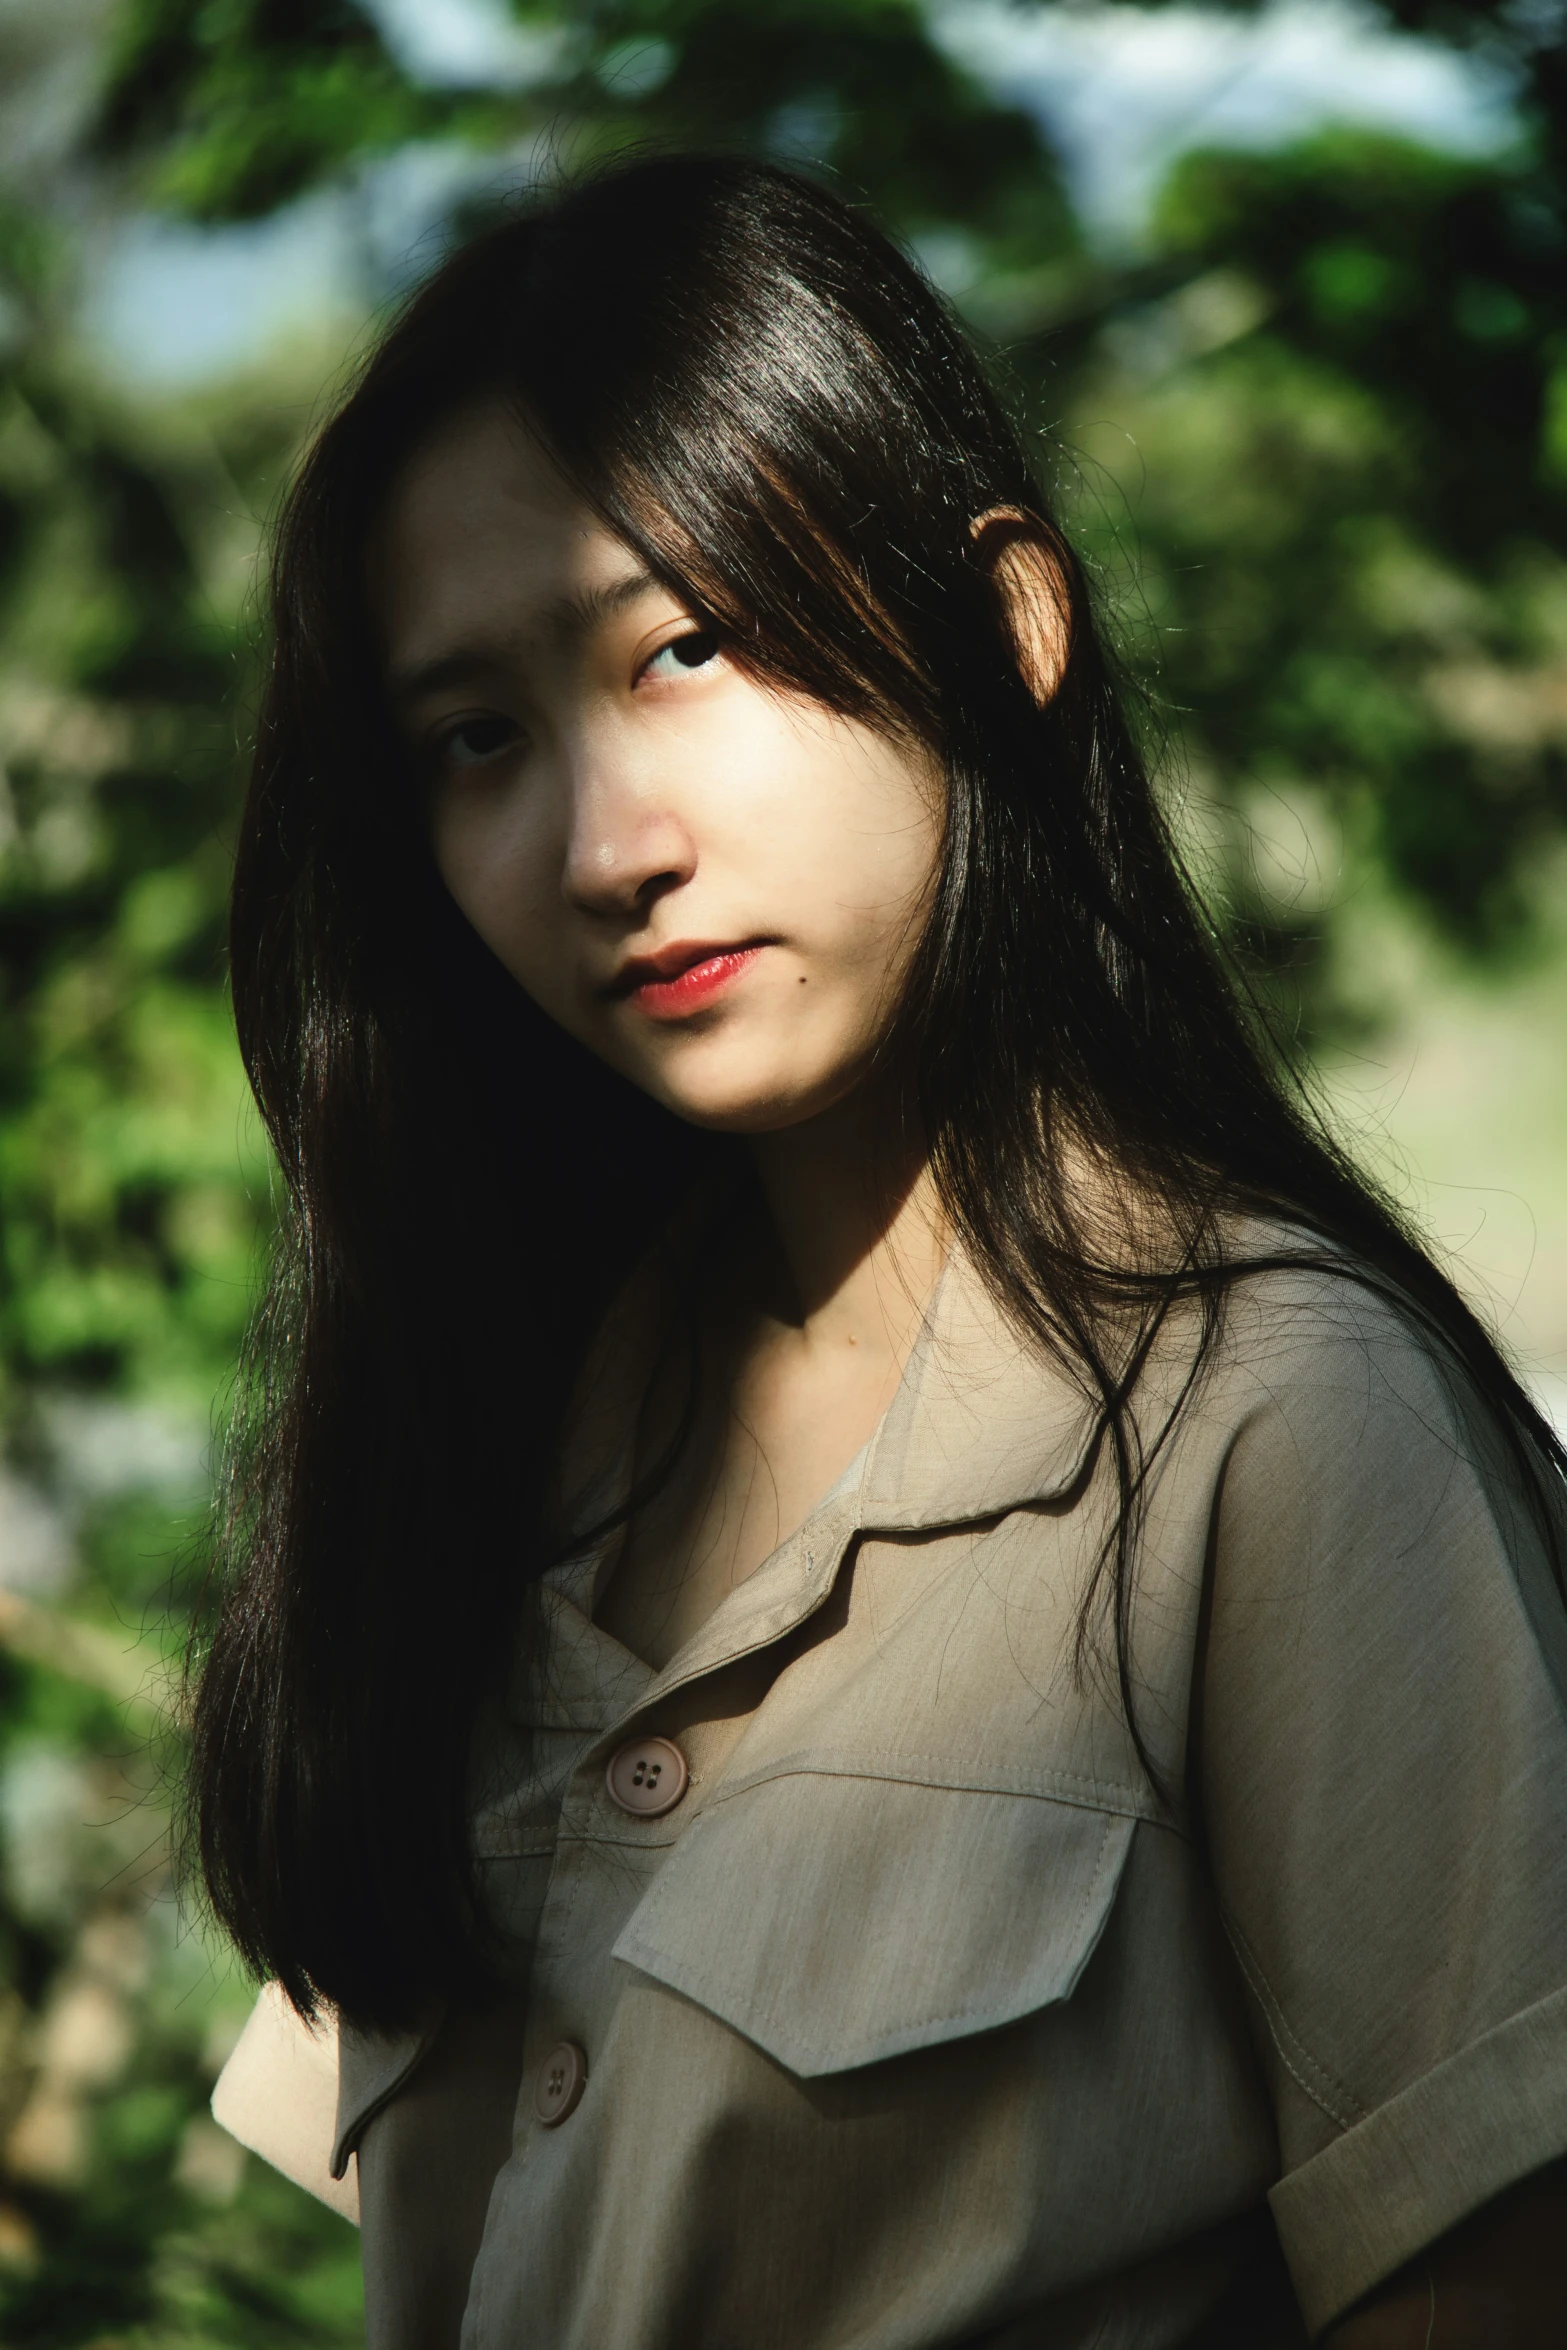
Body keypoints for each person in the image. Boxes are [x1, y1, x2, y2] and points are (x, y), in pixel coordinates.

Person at [196, 154, 1567, 2348]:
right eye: (477, 739)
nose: (603, 844)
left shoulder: (1273, 1432)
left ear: (1006, 623)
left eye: (688, 646)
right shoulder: (480, 1433)